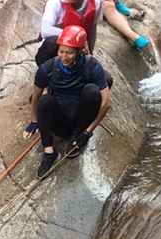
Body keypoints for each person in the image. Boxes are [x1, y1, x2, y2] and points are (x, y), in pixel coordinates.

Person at [24, 26, 113, 176]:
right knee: (45, 101)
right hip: (59, 120)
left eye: (69, 53)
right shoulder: (48, 68)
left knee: (91, 90)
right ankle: (49, 152)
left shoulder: (92, 65)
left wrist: (87, 132)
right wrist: (34, 120)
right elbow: (36, 96)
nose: (64, 57)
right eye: (61, 51)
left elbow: (106, 103)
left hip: (80, 119)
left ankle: (76, 138)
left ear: (79, 51)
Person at [38, 0, 148, 62]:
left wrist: (90, 52)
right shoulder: (56, 1)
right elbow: (46, 31)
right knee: (51, 43)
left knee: (106, 80)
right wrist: (76, 38)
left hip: (77, 51)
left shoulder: (96, 0)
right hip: (57, 48)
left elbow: (92, 27)